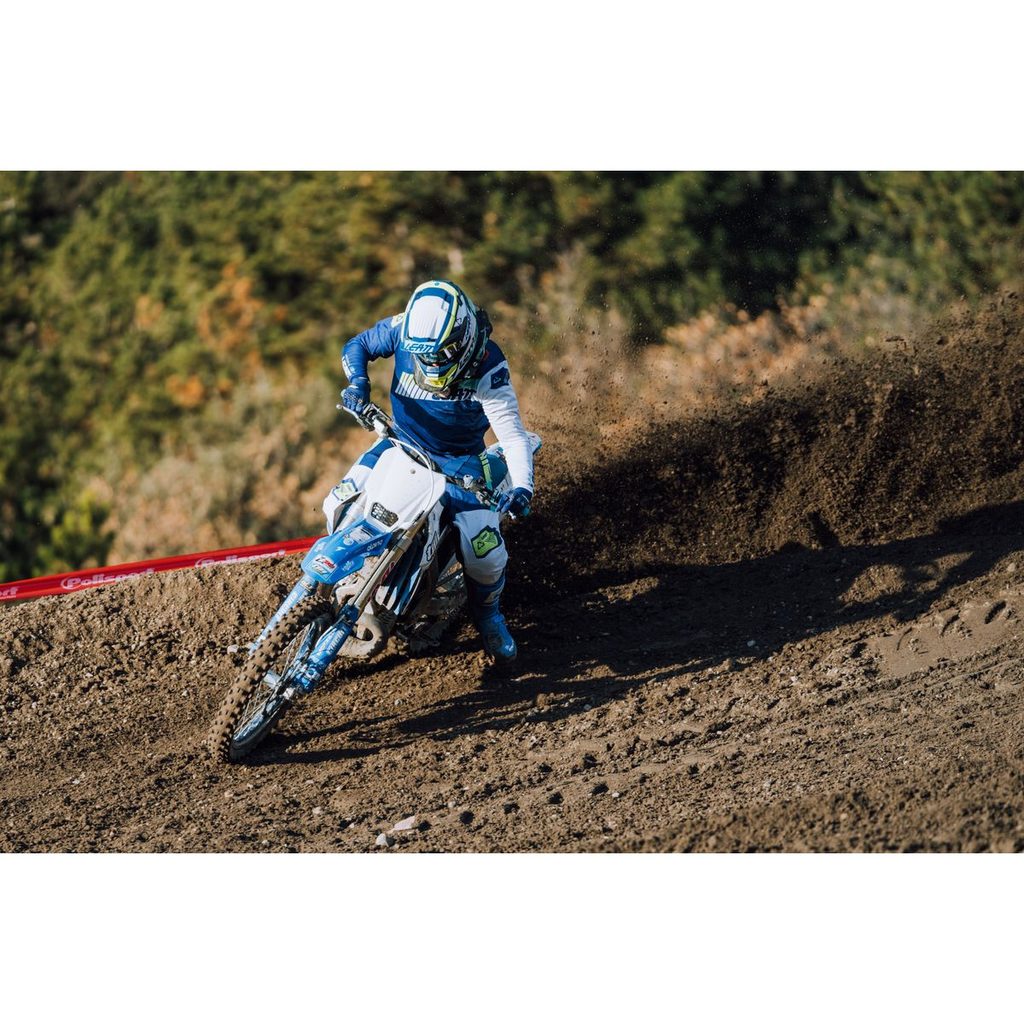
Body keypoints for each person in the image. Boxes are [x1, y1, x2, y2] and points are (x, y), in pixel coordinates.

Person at [322, 280, 535, 664]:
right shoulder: (404, 328)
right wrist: (358, 383)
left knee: (485, 553)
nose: (432, 364)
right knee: (336, 503)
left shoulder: (488, 365)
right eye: (424, 355)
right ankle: (337, 582)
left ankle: (490, 618)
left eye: (441, 354)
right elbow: (359, 344)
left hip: (461, 464)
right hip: (398, 443)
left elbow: (513, 436)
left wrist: (523, 488)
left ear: (462, 337)